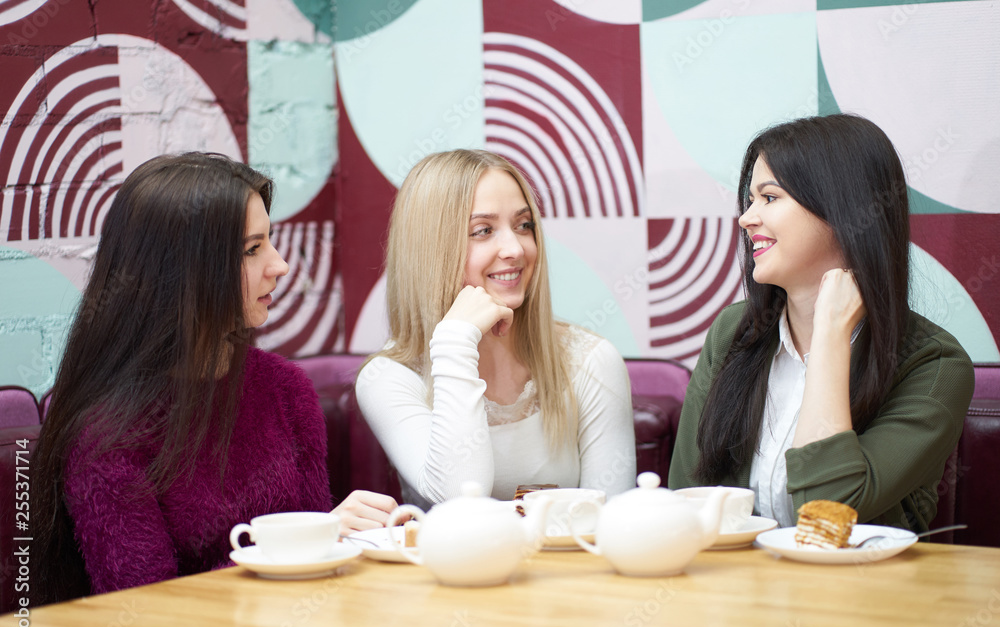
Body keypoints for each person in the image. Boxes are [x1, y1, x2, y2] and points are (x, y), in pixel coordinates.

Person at [31, 153, 398, 603]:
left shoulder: (286, 389)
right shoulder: (107, 437)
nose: (279, 266)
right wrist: (303, 539)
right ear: (180, 271)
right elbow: (145, 613)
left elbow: (313, 575)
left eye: (270, 242)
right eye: (252, 249)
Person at [668, 114, 974, 533]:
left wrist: (830, 336)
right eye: (750, 199)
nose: (747, 218)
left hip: (863, 595)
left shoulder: (934, 364)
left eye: (770, 198)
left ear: (841, 211)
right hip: (734, 591)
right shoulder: (731, 332)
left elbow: (825, 517)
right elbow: (687, 497)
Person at [355, 149, 636, 507]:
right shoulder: (387, 377)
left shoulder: (590, 360)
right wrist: (456, 342)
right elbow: (459, 499)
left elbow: (613, 520)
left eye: (523, 225)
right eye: (483, 231)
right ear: (430, 250)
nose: (515, 248)